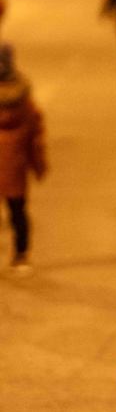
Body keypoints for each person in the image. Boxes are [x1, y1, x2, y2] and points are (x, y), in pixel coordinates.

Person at [0, 43, 46, 272]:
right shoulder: (25, 104)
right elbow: (36, 140)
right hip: (15, 169)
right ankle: (21, 256)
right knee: (18, 212)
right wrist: (39, 166)